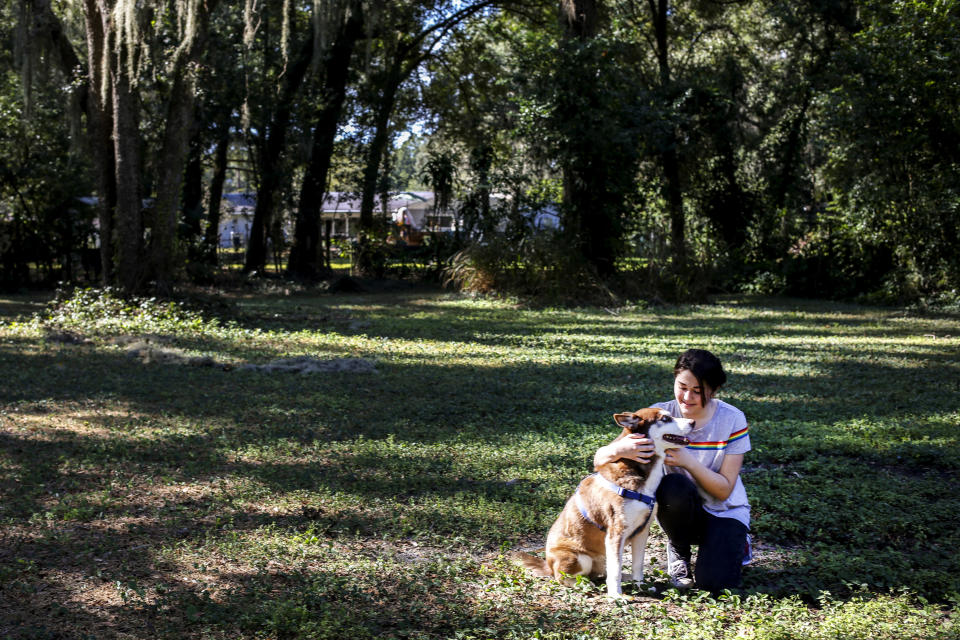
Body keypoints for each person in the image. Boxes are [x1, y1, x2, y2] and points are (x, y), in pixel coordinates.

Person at [593, 348, 751, 592]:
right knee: (672, 485)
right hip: (680, 508)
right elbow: (600, 459)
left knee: (715, 585)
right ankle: (679, 548)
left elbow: (723, 491)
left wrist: (689, 461)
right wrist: (621, 448)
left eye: (697, 391)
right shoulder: (660, 415)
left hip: (724, 511)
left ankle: (737, 540)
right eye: (682, 386)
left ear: (714, 390)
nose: (687, 397)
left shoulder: (732, 419)